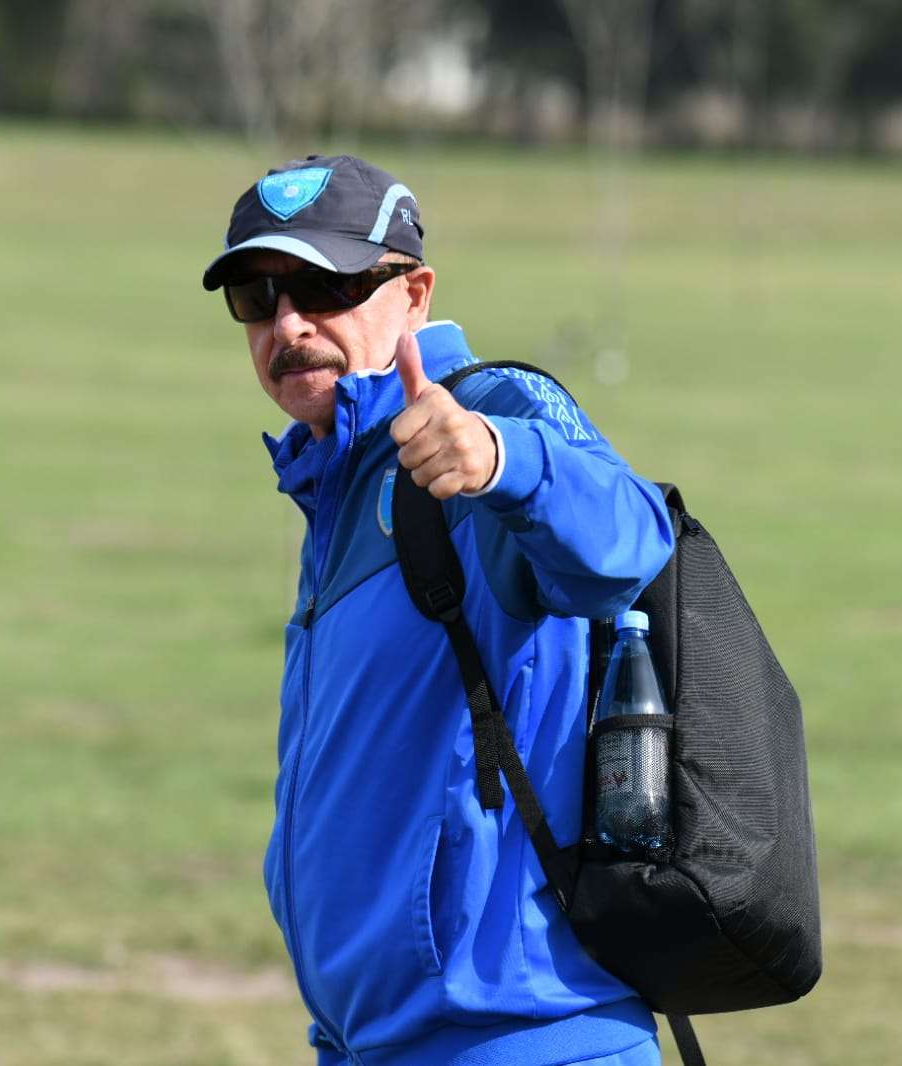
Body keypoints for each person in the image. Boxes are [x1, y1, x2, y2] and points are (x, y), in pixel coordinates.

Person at [203, 154, 675, 1066]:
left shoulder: (487, 411)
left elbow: (629, 544)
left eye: (325, 285)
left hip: (521, 1040)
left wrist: (505, 459)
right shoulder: (337, 474)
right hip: (378, 1044)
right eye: (256, 298)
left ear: (414, 293)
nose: (288, 324)